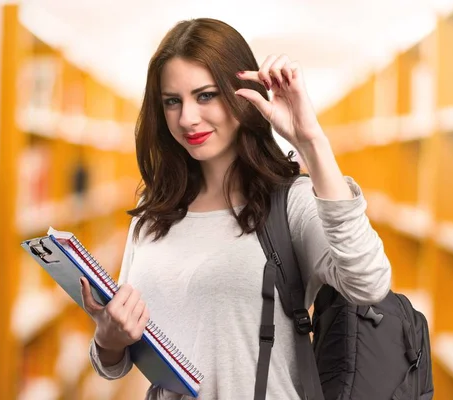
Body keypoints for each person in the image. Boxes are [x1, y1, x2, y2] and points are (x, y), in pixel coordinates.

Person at [80, 17, 392, 400]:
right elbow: (117, 361)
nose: (187, 118)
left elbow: (369, 282)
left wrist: (311, 140)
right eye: (172, 101)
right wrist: (108, 338)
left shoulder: (289, 202)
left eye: (205, 95)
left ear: (242, 95)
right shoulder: (153, 209)